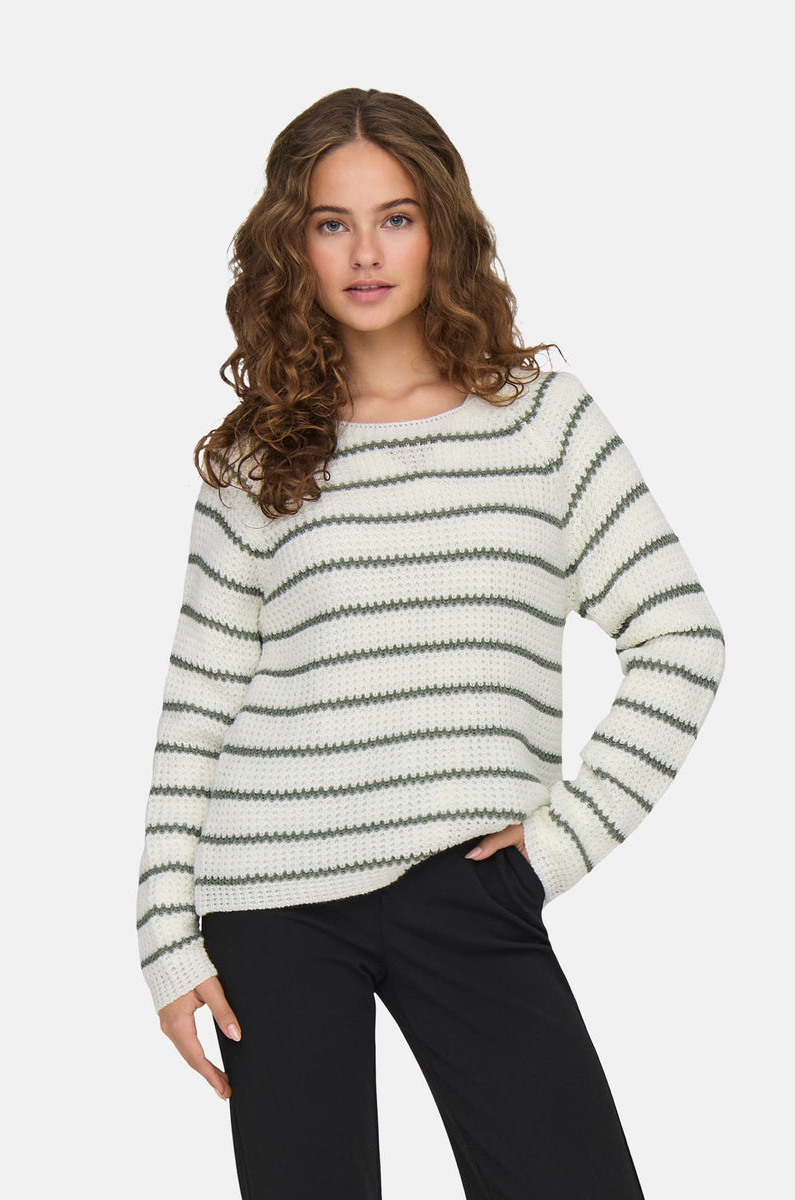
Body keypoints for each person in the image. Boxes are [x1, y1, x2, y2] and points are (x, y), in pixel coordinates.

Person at [136, 87, 725, 1199]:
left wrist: (557, 848)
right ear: (293, 244)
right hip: (270, 896)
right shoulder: (259, 459)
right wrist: (166, 932)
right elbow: (200, 700)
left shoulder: (542, 421)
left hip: (467, 884)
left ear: (440, 230)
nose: (365, 253)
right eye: (332, 223)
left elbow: (682, 638)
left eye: (396, 218)